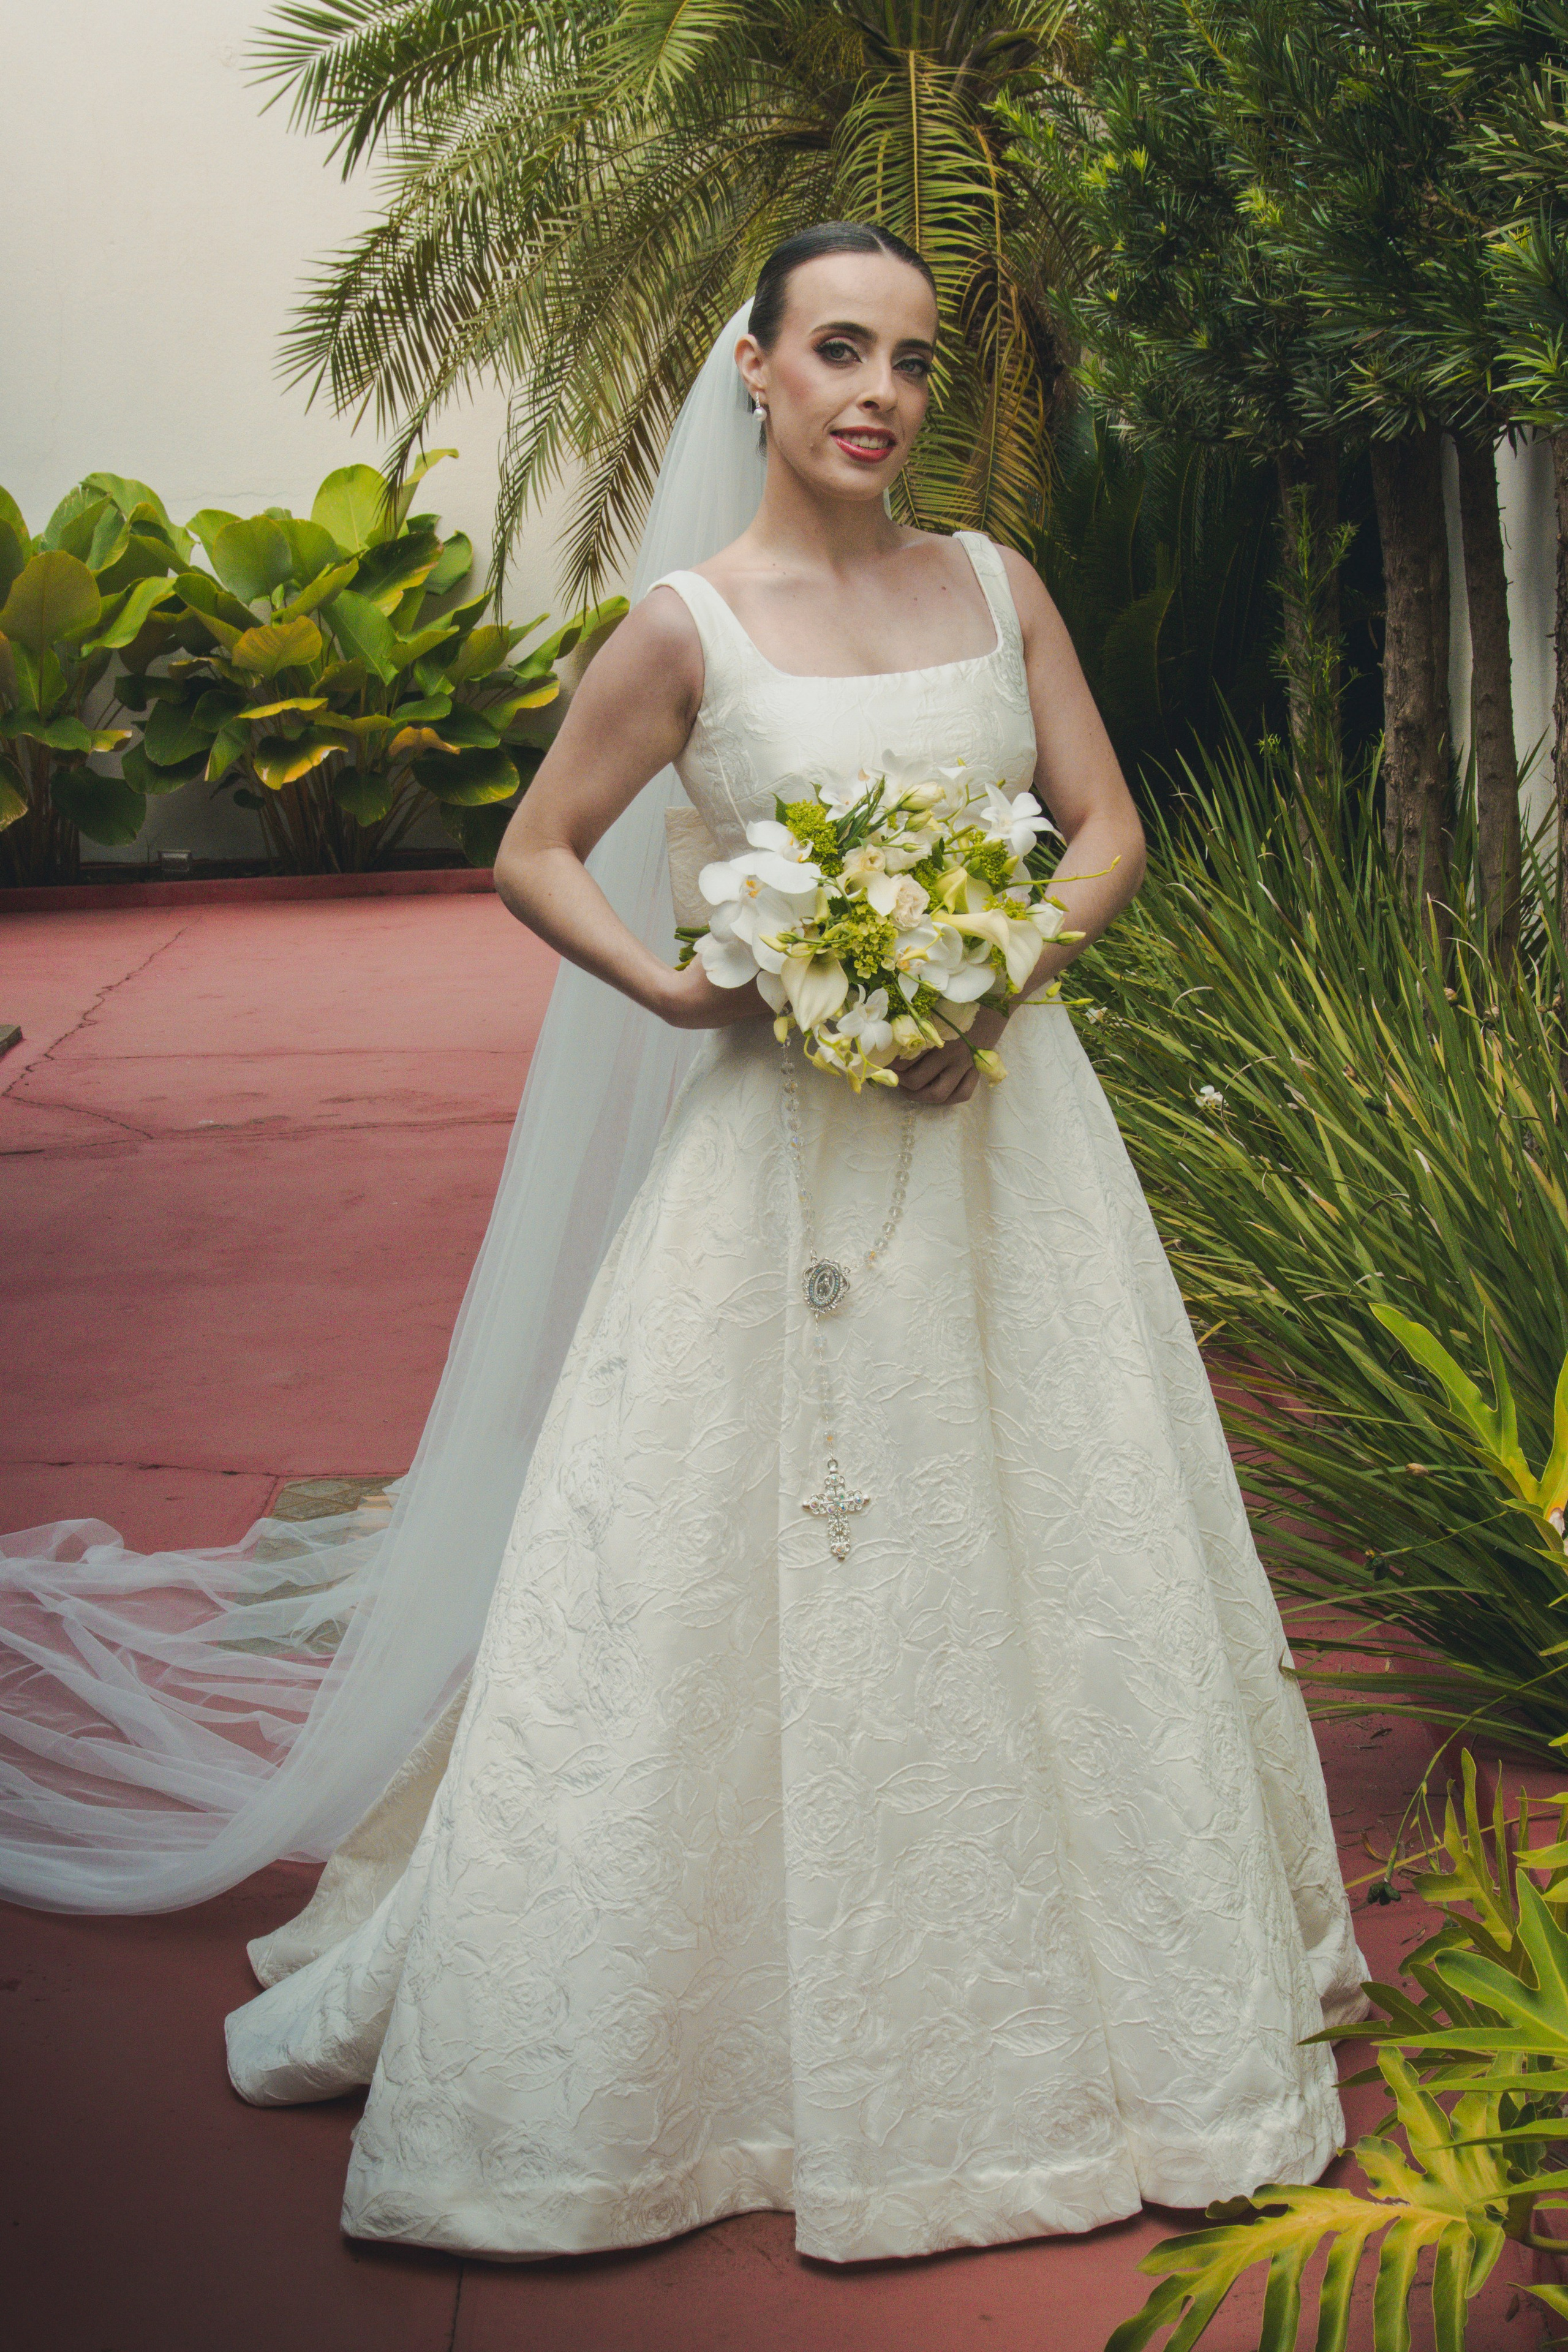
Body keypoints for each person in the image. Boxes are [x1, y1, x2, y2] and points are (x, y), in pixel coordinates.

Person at [217, 222, 1371, 2263]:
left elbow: (1103, 829)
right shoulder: (691, 628)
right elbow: (535, 851)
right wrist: (676, 996)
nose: (881, 396)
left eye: (915, 363)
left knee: (1055, 1539)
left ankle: (1104, 2001)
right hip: (782, 1176)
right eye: (839, 351)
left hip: (1013, 1152)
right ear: (752, 368)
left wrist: (996, 971)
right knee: (748, 1556)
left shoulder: (996, 589)